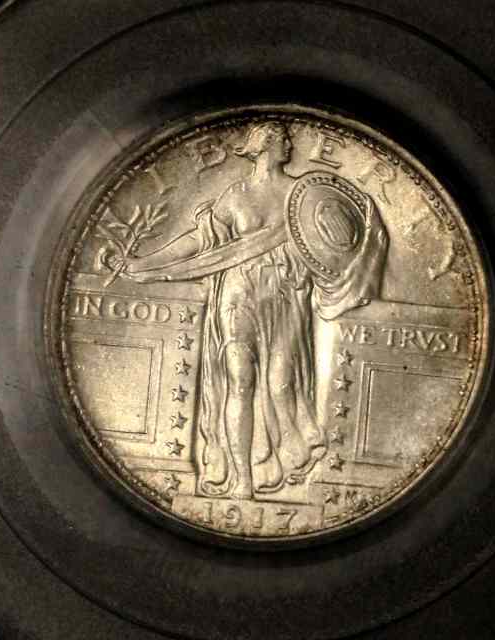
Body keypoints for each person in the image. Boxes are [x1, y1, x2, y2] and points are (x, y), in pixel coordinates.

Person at [104, 121, 388, 500]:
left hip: (286, 295)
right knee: (239, 379)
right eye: (282, 139)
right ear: (263, 146)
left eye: (287, 140)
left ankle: (283, 456)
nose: (289, 145)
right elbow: (198, 242)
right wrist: (142, 263)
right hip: (238, 294)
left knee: (281, 381)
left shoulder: (303, 193)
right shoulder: (235, 195)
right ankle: (242, 480)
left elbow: (338, 233)